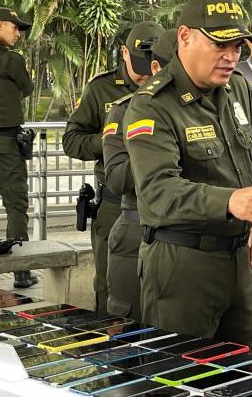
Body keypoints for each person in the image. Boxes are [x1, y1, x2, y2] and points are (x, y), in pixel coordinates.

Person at [123, 0, 252, 345]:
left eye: (238, 48)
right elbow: (158, 192)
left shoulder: (239, 89)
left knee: (238, 372)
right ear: (185, 37)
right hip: (182, 266)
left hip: (239, 262)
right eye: (220, 46)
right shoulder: (152, 105)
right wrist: (231, 202)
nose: (231, 58)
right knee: (180, 376)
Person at [63, 21, 165, 313]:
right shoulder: (102, 89)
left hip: (158, 202)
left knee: (158, 288)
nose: (147, 73)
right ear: (124, 53)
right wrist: (112, 140)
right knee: (110, 290)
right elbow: (72, 140)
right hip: (114, 204)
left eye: (154, 65)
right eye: (140, 66)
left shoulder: (170, 87)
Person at [103, 28, 176, 321]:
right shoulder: (124, 113)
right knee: (128, 330)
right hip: (136, 230)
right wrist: (158, 156)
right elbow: (118, 178)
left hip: (183, 241)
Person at [0, 7, 37, 288]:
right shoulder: (12, 60)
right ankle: (21, 271)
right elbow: (28, 88)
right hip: (5, 144)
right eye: (14, 27)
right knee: (16, 205)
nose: (18, 33)